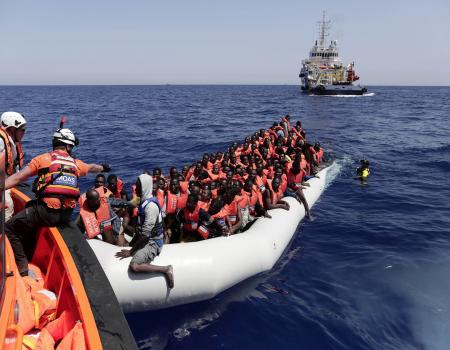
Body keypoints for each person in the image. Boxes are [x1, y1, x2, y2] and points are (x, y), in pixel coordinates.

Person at [4, 126, 110, 276]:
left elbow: (18, 178)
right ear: (67, 146)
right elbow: (92, 167)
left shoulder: (42, 159)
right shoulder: (76, 163)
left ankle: (22, 266)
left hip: (45, 213)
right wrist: (104, 168)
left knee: (9, 228)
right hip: (65, 215)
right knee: (30, 207)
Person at [115, 174, 174, 288]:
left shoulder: (150, 207)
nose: (135, 189)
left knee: (135, 266)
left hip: (153, 242)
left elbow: (146, 236)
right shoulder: (142, 200)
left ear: (145, 187)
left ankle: (166, 269)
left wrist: (130, 252)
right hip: (144, 237)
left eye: (138, 187)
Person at [0, 111, 27, 221]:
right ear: (11, 129)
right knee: (8, 205)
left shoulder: (13, 142)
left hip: (6, 181)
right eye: (22, 130)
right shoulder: (1, 142)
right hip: (2, 183)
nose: (24, 133)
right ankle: (5, 235)